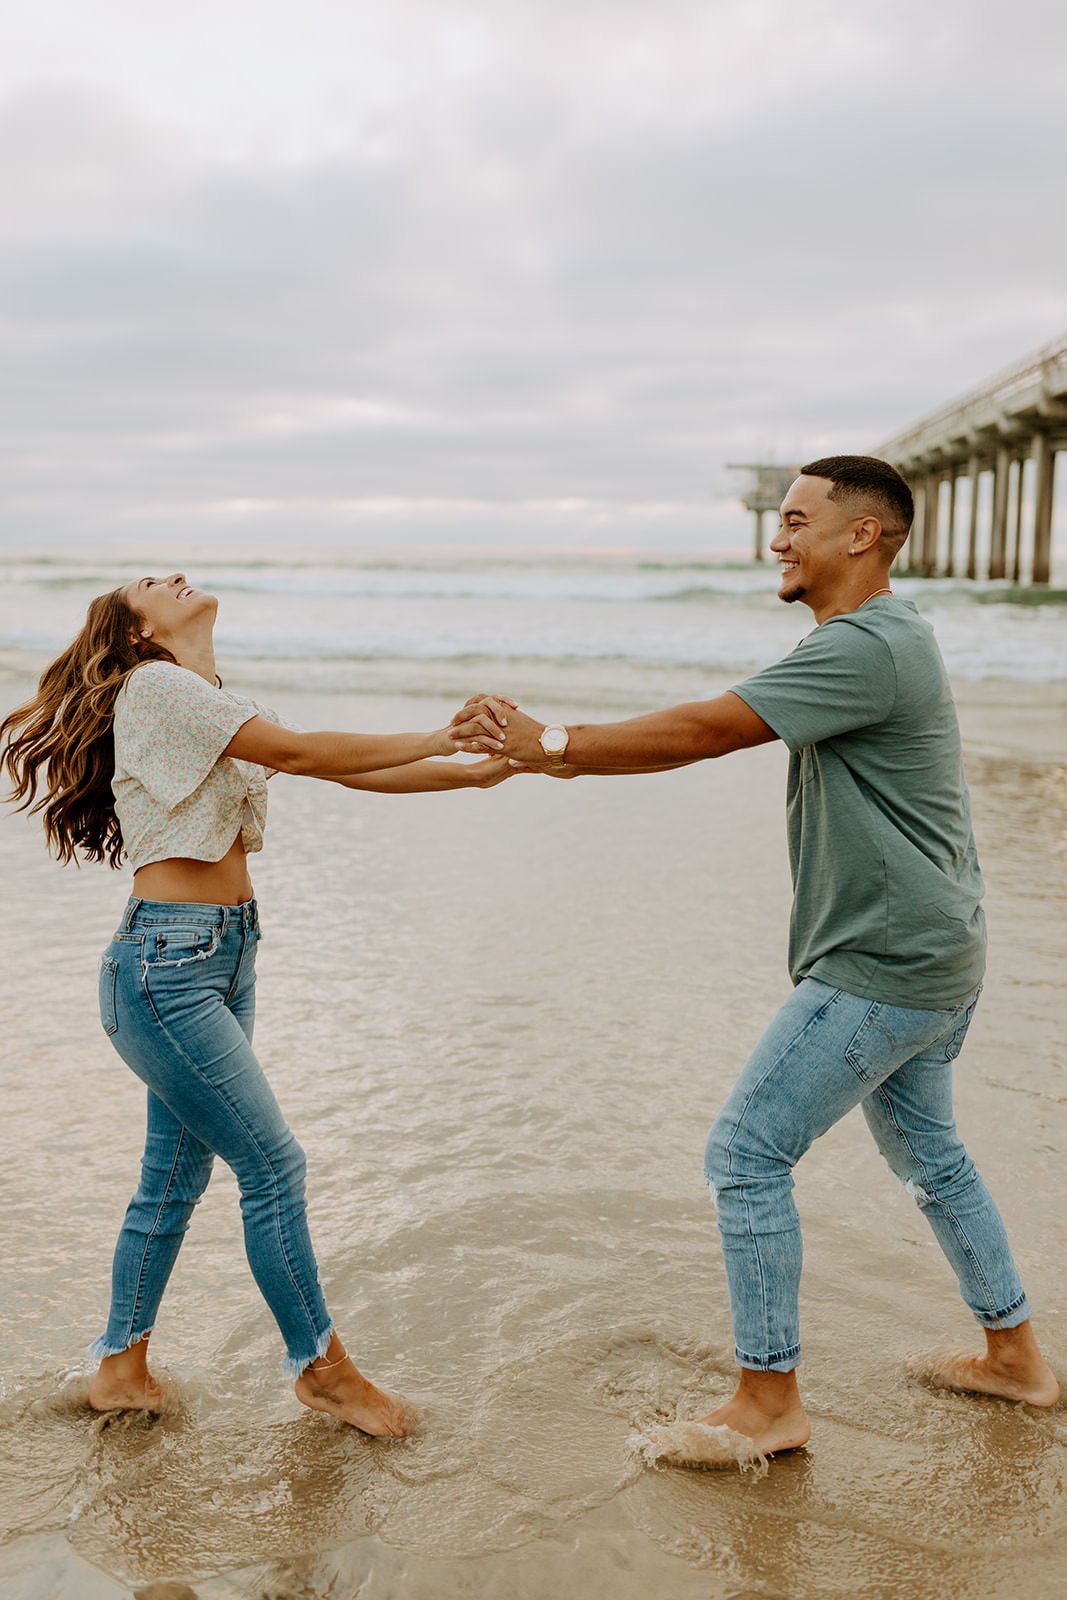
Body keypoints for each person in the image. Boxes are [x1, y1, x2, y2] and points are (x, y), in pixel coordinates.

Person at [461, 455, 1060, 1462]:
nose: (775, 539)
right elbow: (699, 731)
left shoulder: (865, 646)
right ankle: (1014, 1358)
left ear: (859, 535)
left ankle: (767, 1399)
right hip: (937, 949)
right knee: (929, 1155)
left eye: (793, 520)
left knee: (744, 1153)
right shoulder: (878, 639)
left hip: (882, 960)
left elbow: (703, 729)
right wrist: (551, 754)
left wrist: (549, 739)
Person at [0, 571, 512, 1436]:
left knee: (172, 1179)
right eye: (146, 584)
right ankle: (326, 1373)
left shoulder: (208, 699)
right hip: (170, 962)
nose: (169, 574)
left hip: (219, 955)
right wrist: (438, 731)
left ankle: (120, 1372)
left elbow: (344, 775)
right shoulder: (157, 686)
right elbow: (308, 752)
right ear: (137, 635)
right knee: (273, 1168)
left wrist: (465, 775)